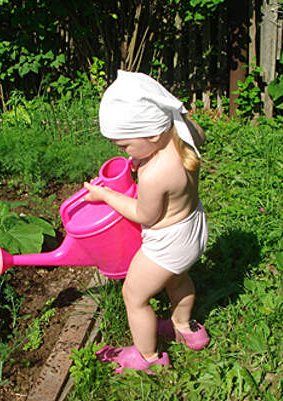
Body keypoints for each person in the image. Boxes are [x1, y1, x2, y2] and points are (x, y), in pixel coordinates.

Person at [83, 70, 209, 374]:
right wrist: (143, 158)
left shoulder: (155, 174)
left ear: (152, 134)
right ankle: (185, 328)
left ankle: (148, 358)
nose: (124, 153)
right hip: (192, 230)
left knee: (134, 296)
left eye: (125, 146)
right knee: (178, 279)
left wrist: (106, 196)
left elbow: (145, 215)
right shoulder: (185, 136)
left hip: (165, 245)